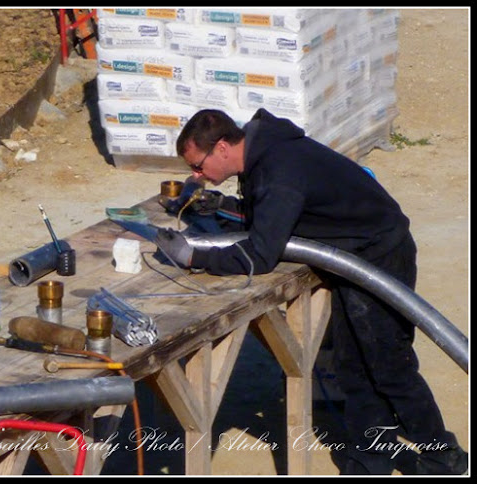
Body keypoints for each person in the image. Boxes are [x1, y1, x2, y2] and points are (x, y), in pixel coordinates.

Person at [155, 108, 468, 475]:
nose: (196, 176)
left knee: (388, 367)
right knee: (353, 367)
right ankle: (372, 458)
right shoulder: (262, 154)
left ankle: (442, 456)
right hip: (353, 256)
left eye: (197, 165)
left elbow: (261, 253)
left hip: (380, 256)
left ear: (222, 147)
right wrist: (225, 206)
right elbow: (274, 216)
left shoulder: (280, 171)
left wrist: (195, 256)